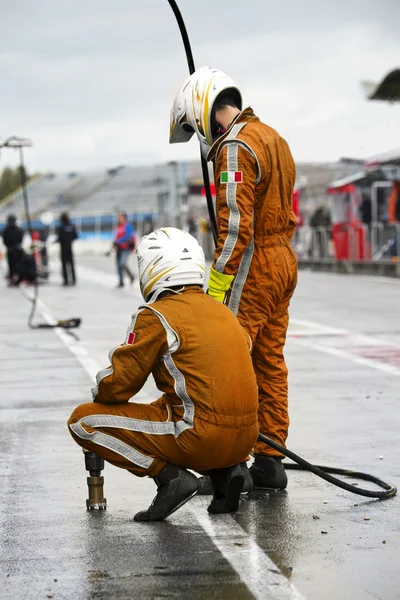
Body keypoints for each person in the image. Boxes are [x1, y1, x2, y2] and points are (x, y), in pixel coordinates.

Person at [68, 228, 258, 521]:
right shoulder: (224, 312)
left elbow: (119, 386)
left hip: (200, 438)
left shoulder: (156, 315)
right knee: (182, 399)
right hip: (245, 442)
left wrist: (99, 394)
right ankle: (227, 474)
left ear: (153, 268)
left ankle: (171, 478)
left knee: (83, 421)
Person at [170, 66, 298, 491]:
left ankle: (231, 466)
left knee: (228, 359)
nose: (201, 134)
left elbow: (236, 230)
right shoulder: (272, 137)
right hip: (284, 262)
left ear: (204, 108)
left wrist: (217, 283)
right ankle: (270, 460)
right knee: (268, 360)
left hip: (254, 266)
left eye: (195, 124)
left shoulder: (235, 147)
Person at [113, 212, 136, 288]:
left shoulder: (128, 225)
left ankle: (131, 276)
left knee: (122, 263)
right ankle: (121, 281)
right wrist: (114, 243)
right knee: (118, 265)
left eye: (120, 217)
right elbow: (116, 236)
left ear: (124, 218)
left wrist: (119, 241)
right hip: (119, 248)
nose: (119, 219)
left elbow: (128, 236)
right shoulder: (118, 226)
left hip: (125, 247)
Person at [56, 212, 78, 286]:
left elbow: (59, 238)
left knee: (64, 265)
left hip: (63, 249)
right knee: (71, 265)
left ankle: (66, 280)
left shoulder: (60, 227)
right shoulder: (72, 226)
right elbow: (75, 236)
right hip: (70, 248)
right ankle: (74, 280)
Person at [2, 214, 24, 285]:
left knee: (19, 266)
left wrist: (16, 247)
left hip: (18, 251)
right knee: (11, 266)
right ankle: (12, 279)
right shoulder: (5, 231)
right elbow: (5, 241)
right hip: (10, 250)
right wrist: (10, 248)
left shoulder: (19, 230)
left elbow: (20, 240)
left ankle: (19, 278)